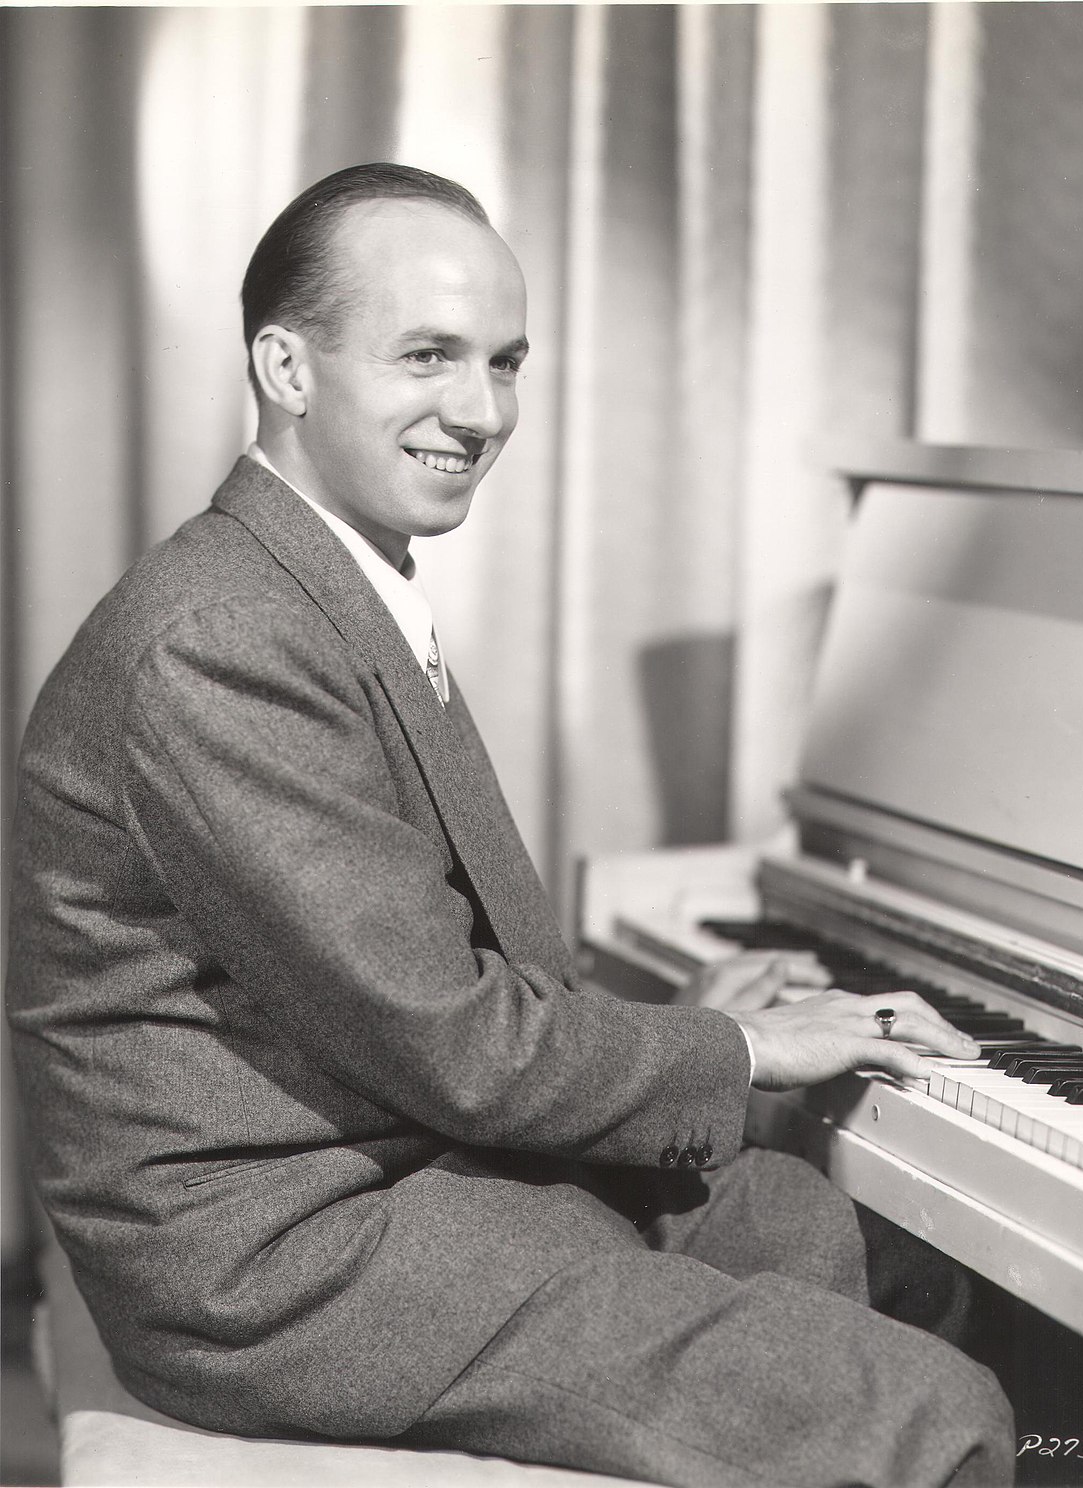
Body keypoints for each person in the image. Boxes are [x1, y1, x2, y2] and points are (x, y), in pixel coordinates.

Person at [7, 163, 1013, 1487]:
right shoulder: (222, 641)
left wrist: (688, 1026)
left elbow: (410, 973)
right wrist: (742, 1044)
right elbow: (450, 1044)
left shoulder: (322, 581)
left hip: (377, 1166)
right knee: (934, 1411)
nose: (480, 412)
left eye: (506, 361)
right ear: (285, 366)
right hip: (281, 1259)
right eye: (428, 355)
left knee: (866, 1248)